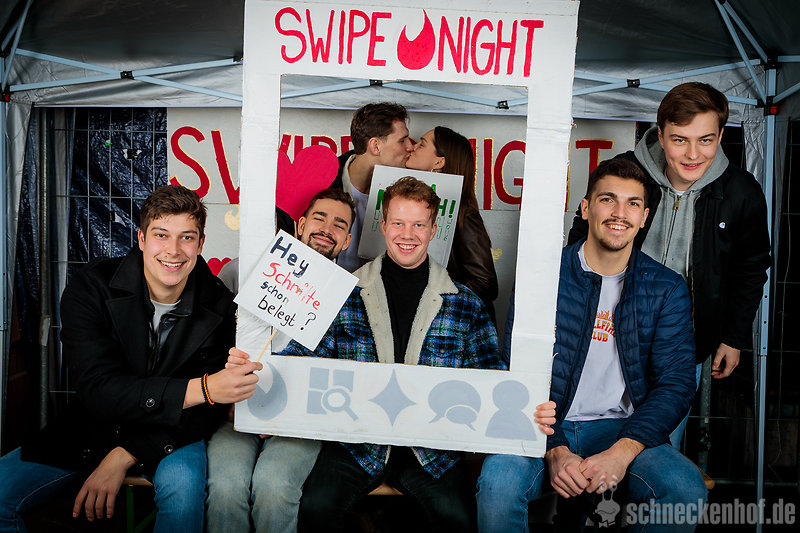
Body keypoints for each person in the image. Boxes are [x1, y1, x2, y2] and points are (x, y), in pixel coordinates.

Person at [0, 185, 260, 533]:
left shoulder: (221, 306)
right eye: (161, 235)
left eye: (186, 237)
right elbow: (97, 389)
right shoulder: (92, 287)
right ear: (141, 238)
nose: (173, 250)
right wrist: (205, 388)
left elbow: (204, 412)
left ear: (200, 244)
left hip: (174, 433)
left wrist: (125, 454)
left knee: (183, 495)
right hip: (92, 426)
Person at [478, 159, 707, 533]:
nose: (620, 213)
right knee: (498, 485)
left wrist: (622, 453)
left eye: (633, 203)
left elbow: (676, 383)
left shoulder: (666, 288)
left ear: (645, 217)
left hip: (623, 428)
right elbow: (516, 370)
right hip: (544, 425)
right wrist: (556, 449)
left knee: (684, 489)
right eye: (607, 199)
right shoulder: (543, 278)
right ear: (585, 208)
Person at [267, 177, 503, 531]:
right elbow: (303, 361)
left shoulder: (465, 304)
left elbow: (492, 379)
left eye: (418, 225)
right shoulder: (343, 293)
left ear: (433, 230)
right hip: (356, 444)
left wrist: (526, 409)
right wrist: (264, 388)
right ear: (383, 225)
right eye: (398, 223)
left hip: (431, 451)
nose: (407, 234)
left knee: (458, 519)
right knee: (315, 508)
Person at [567, 82, 770, 446]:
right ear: (660, 135)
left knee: (655, 449)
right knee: (584, 444)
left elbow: (751, 269)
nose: (693, 154)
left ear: (721, 135)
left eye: (706, 140)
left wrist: (734, 336)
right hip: (604, 337)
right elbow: (580, 243)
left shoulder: (741, 192)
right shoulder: (623, 175)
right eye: (679, 140)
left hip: (681, 346)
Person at [206, 188, 356, 533]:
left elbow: (344, 376)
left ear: (347, 240)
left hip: (300, 424)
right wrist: (226, 398)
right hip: (236, 413)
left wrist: (289, 415)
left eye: (339, 225)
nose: (326, 229)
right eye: (319, 218)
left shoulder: (350, 297)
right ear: (301, 225)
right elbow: (208, 344)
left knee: (274, 487)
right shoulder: (240, 271)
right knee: (225, 488)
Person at [405, 126, 499, 321]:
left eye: (422, 144)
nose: (413, 147)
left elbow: (485, 284)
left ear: (439, 162)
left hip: (453, 326)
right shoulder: (416, 205)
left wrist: (434, 294)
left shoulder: (464, 213)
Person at [332, 102, 414, 272]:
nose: (410, 147)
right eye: (402, 140)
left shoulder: (406, 191)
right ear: (375, 146)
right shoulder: (323, 182)